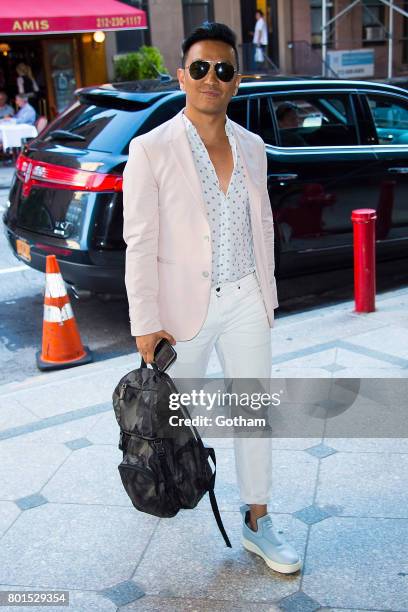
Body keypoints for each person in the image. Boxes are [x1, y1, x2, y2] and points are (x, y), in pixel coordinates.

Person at [122, 21, 301, 574]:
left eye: (223, 70)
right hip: (182, 313)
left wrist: (266, 297)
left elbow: (263, 226)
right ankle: (164, 488)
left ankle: (258, 519)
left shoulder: (254, 146)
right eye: (200, 68)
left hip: (245, 295)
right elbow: (140, 240)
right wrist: (145, 322)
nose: (211, 79)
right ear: (182, 76)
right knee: (169, 417)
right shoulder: (151, 149)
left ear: (237, 81)